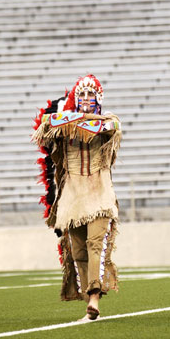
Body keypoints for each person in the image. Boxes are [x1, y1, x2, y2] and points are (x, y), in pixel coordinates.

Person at [33, 74, 121, 321]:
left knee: (96, 244)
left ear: (98, 98)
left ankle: (94, 298)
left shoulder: (108, 120)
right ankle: (88, 299)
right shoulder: (63, 123)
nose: (85, 98)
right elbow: (45, 125)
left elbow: (109, 127)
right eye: (80, 94)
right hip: (72, 196)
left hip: (100, 191)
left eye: (90, 94)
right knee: (79, 251)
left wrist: (73, 119)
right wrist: (68, 117)